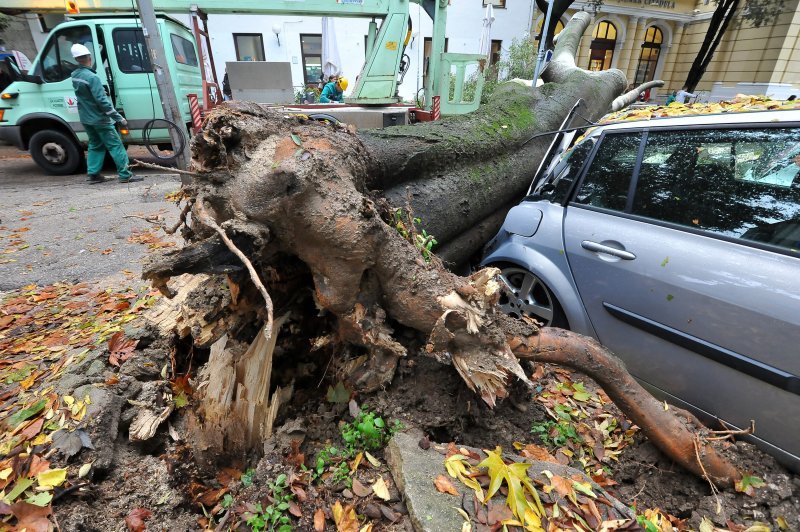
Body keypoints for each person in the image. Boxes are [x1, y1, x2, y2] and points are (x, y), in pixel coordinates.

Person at [69, 43, 139, 184]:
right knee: (116, 145)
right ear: (89, 57)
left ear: (76, 59)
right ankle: (125, 175)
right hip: (100, 119)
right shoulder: (92, 78)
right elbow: (102, 101)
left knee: (95, 144)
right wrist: (118, 117)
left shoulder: (75, 75)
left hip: (86, 118)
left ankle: (93, 175)